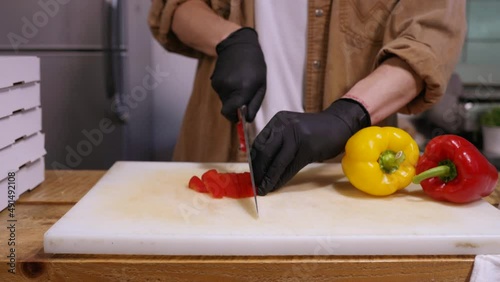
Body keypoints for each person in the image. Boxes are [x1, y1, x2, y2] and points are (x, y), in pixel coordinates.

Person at [148, 0, 466, 195]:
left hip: (342, 179)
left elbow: (430, 40)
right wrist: (228, 38)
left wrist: (348, 114)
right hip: (216, 151)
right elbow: (171, 6)